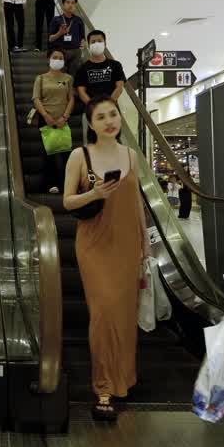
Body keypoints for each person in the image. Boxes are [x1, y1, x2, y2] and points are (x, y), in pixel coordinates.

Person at [62, 97, 147, 420]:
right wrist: (95, 194)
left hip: (127, 245)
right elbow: (69, 202)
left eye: (113, 114)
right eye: (101, 116)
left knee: (125, 314)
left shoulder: (130, 155)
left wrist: (145, 244)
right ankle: (104, 386)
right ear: (91, 123)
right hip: (95, 245)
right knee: (104, 313)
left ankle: (124, 378)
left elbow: (136, 202)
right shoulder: (79, 156)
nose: (109, 120)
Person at [32, 49, 75, 193]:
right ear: (48, 59)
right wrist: (45, 115)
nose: (58, 60)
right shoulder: (41, 78)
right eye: (55, 57)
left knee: (65, 153)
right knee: (48, 153)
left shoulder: (68, 78)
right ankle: (50, 184)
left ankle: (67, 185)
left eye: (61, 58)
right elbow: (36, 98)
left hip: (63, 120)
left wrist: (65, 117)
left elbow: (71, 99)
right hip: (46, 121)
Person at [48, 0, 86, 68]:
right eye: (68, 2)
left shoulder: (78, 20)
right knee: (59, 76)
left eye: (73, 3)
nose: (70, 5)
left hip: (75, 51)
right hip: (60, 52)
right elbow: (50, 39)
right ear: (63, 5)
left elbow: (82, 37)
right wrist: (60, 33)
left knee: (74, 75)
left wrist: (83, 43)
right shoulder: (56, 19)